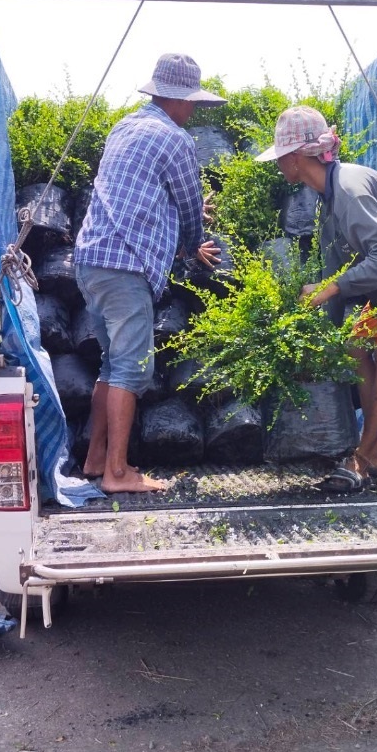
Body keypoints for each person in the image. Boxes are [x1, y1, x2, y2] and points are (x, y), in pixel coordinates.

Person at [256, 105, 377, 492]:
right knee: (352, 343)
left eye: (280, 156)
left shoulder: (348, 187)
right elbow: (335, 275)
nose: (278, 164)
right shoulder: (326, 199)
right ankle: (375, 451)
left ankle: (363, 456)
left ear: (296, 157)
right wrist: (322, 340)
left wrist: (331, 287)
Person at [74, 52, 226, 493]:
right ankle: (118, 474)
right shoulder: (175, 139)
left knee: (110, 363)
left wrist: (179, 222)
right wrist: (195, 243)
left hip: (91, 261)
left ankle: (95, 457)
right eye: (192, 102)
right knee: (131, 370)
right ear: (176, 99)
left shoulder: (124, 126)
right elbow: (190, 204)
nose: (193, 110)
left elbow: (144, 198)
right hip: (124, 266)